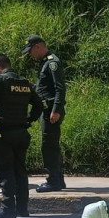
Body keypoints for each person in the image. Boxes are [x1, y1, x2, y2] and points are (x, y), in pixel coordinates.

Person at [0, 53, 43, 218]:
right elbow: (39, 105)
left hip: (3, 133)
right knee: (20, 171)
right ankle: (22, 209)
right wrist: (29, 120)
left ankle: (7, 209)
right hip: (21, 133)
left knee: (6, 172)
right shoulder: (24, 83)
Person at [22, 35, 67, 193]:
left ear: (39, 47)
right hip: (47, 109)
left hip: (51, 111)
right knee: (51, 145)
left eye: (31, 51)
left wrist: (56, 109)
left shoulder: (52, 62)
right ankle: (58, 180)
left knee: (48, 146)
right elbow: (45, 88)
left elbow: (60, 88)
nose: (30, 55)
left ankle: (53, 180)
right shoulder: (44, 63)